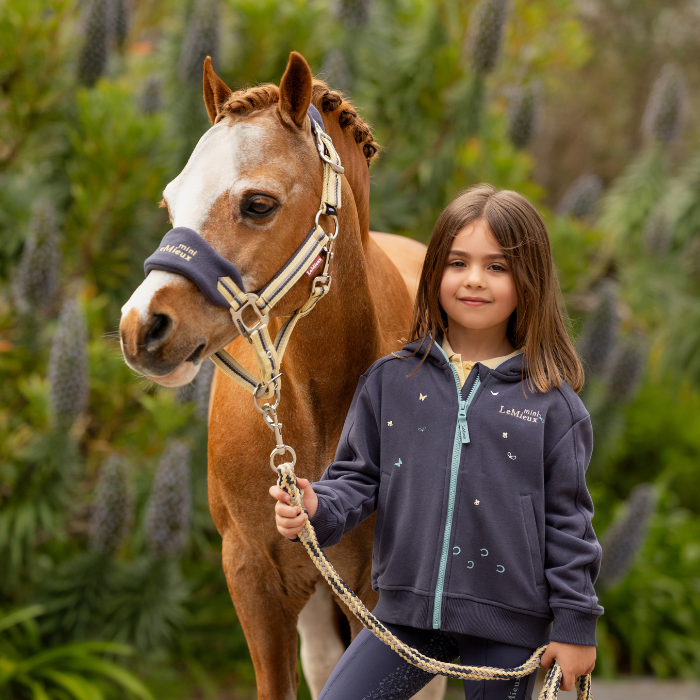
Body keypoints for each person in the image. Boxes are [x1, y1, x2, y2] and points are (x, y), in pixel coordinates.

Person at [269, 184, 603, 700]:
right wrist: (316, 507)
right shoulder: (391, 381)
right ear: (435, 274)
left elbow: (569, 524)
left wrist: (575, 626)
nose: (474, 280)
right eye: (457, 263)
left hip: (508, 630)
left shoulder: (552, 405)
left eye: (497, 266)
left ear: (529, 280)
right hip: (406, 616)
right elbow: (357, 478)